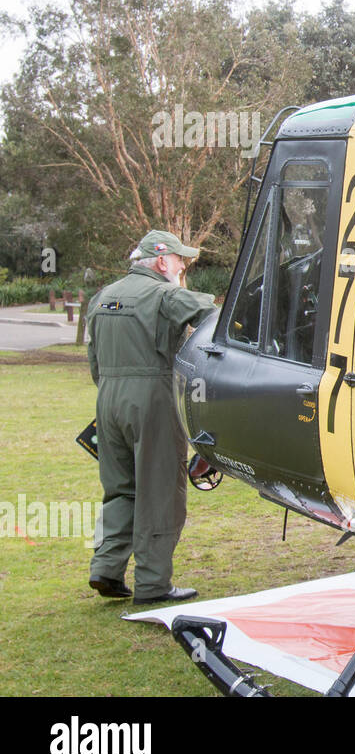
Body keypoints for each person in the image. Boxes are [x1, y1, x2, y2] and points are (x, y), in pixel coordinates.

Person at [85, 230, 217, 604]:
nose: (182, 267)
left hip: (108, 400)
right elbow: (216, 319)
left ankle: (106, 568)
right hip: (153, 398)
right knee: (159, 492)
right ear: (162, 261)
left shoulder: (103, 297)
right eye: (180, 261)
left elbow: (94, 361)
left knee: (120, 489)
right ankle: (153, 584)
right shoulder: (165, 295)